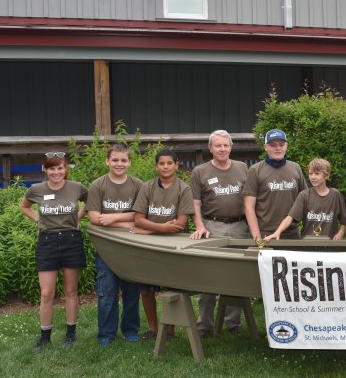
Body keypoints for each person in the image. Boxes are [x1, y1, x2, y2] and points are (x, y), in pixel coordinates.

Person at [20, 152, 88, 353]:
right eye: (52, 168)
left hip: (71, 240)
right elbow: (24, 207)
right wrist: (37, 220)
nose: (56, 172)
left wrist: (79, 216)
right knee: (47, 293)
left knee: (70, 291)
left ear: (66, 169)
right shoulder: (36, 190)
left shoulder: (76, 188)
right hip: (47, 242)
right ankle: (45, 338)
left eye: (60, 168)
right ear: (45, 170)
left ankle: (70, 335)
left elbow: (91, 200)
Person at [190, 130, 249, 337]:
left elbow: (251, 200)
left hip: (240, 227)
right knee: (208, 275)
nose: (222, 149)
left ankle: (233, 322)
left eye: (226, 145)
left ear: (231, 147)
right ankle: (204, 324)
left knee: (237, 275)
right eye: (218, 146)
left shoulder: (243, 168)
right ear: (210, 148)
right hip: (212, 227)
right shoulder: (200, 171)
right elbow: (195, 203)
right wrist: (199, 226)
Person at [132, 149, 195, 340]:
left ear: (177, 165)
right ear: (156, 166)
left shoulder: (183, 189)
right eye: (161, 163)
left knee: (172, 288)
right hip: (149, 246)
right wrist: (160, 228)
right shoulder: (147, 187)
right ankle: (153, 327)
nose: (165, 167)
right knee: (146, 288)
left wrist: (150, 228)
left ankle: (170, 329)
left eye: (169, 163)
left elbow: (181, 224)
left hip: (174, 245)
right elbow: (138, 219)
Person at [86, 143, 144, 347]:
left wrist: (113, 219)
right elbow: (93, 217)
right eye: (115, 160)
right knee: (107, 293)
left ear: (129, 162)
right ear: (107, 161)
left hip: (131, 247)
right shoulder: (98, 185)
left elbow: (140, 216)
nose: (119, 164)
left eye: (123, 160)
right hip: (106, 248)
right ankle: (106, 335)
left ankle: (130, 331)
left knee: (131, 292)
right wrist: (126, 221)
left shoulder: (137, 185)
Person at [243, 128, 307, 241]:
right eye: (273, 145)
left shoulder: (295, 168)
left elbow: (305, 200)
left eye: (281, 144)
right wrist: (256, 237)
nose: (278, 148)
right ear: (265, 147)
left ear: (286, 146)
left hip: (292, 233)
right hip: (265, 234)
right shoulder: (255, 170)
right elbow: (249, 207)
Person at [265, 158, 346, 241]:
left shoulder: (335, 195)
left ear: (326, 175)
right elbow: (290, 218)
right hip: (307, 244)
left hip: (330, 244)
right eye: (311, 174)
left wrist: (341, 232)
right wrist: (277, 233)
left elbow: (344, 220)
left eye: (317, 174)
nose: (313, 177)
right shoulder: (304, 195)